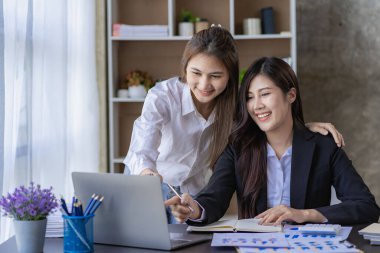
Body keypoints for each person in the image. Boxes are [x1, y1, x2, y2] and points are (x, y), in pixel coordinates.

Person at [124, 27, 344, 223]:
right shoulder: (163, 96)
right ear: (185, 68)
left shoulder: (237, 102)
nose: (204, 85)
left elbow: (266, 119)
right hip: (151, 184)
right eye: (196, 73)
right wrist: (146, 172)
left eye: (215, 76)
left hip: (192, 194)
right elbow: (142, 145)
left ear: (229, 75)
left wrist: (302, 129)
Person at [165, 57, 380, 225]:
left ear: (291, 95)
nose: (256, 105)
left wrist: (304, 214)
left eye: (265, 94)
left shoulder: (324, 146)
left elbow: (366, 207)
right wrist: (195, 209)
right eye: (249, 97)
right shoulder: (238, 148)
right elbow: (214, 198)